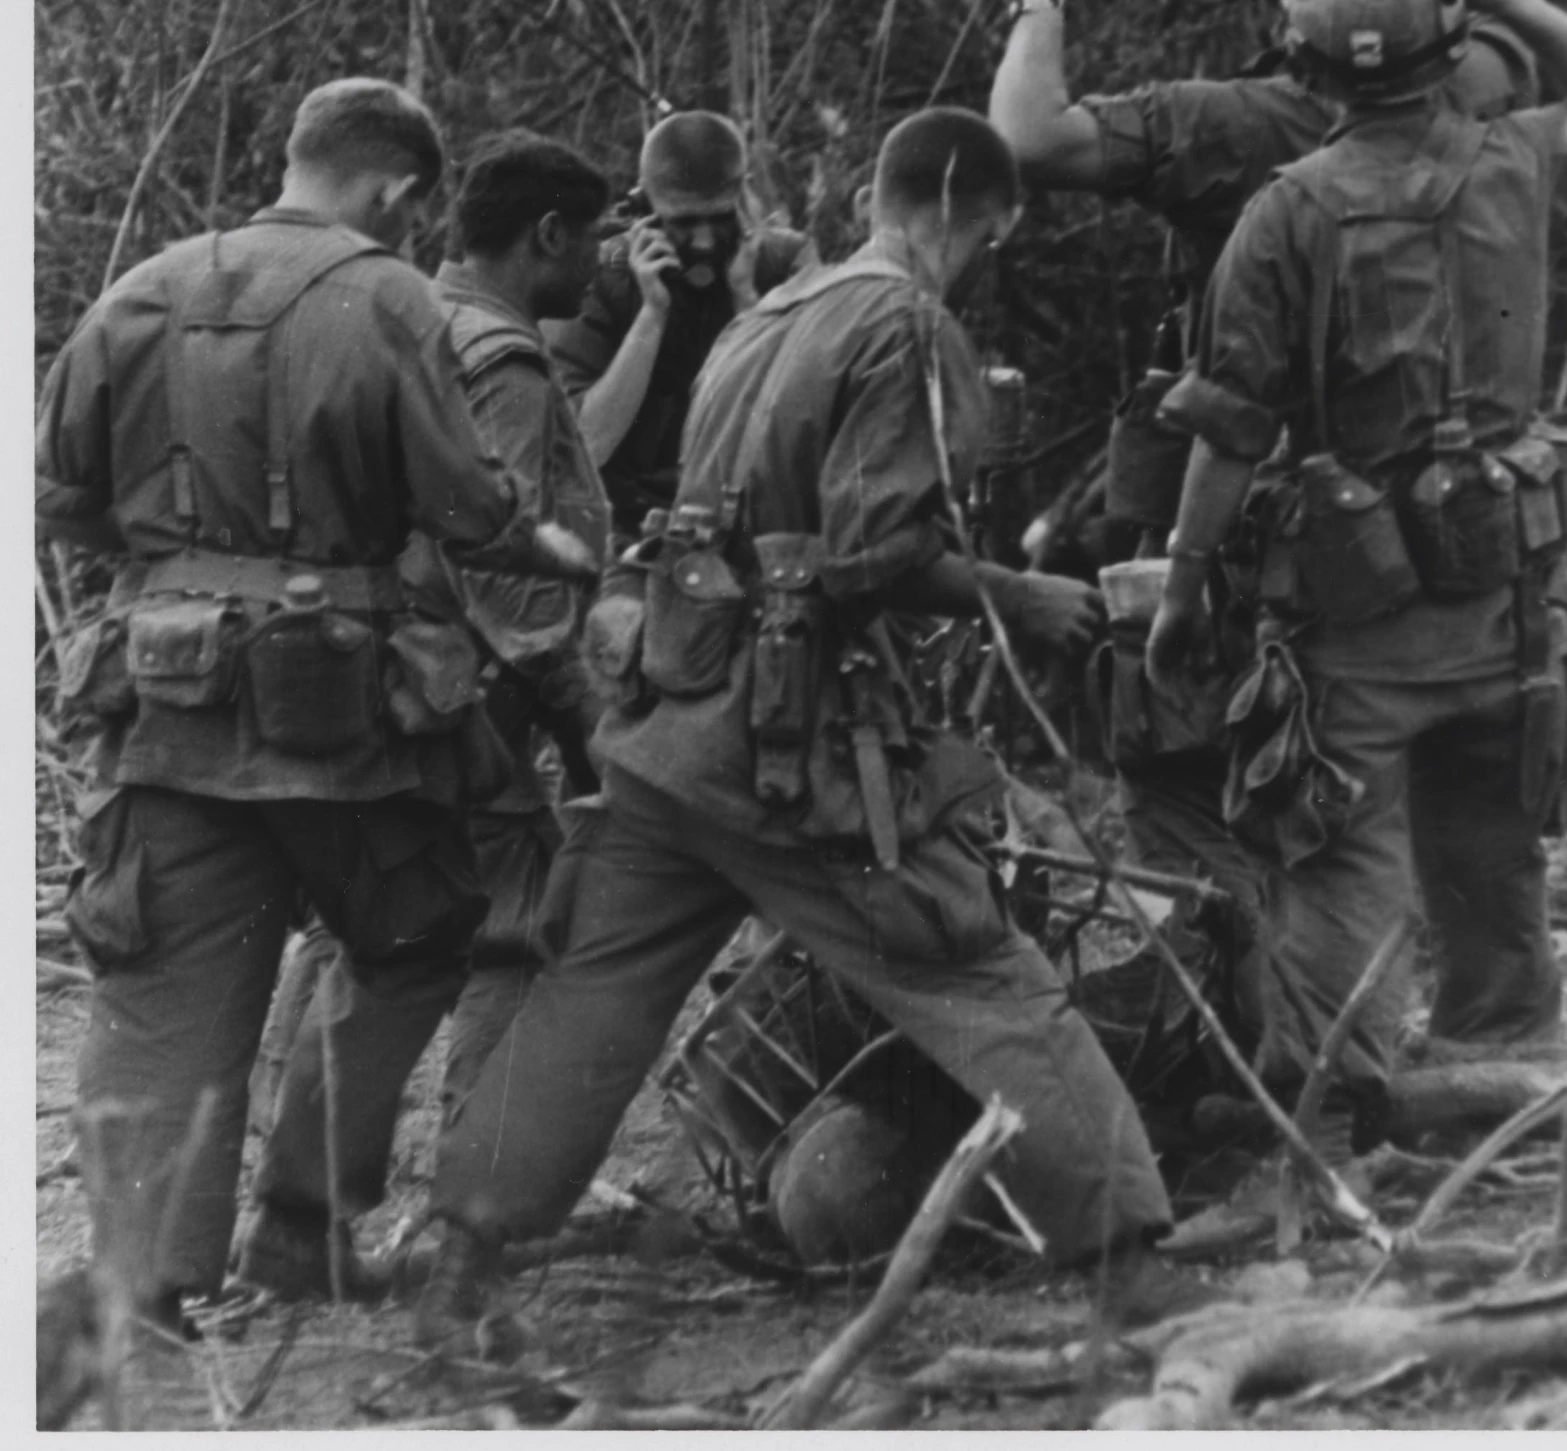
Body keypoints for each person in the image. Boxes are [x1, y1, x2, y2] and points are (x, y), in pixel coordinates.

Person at [412, 108, 1175, 1346]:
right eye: (986, 233)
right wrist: (1017, 595)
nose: (979, 256)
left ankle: (459, 1261)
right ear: (967, 210)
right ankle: (1133, 1267)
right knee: (973, 967)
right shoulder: (902, 321)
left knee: (591, 997)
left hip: (667, 728)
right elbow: (875, 551)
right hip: (794, 750)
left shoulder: (770, 312)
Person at [987, 0, 1548, 1045]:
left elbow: (1025, 136)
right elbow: (1527, 12)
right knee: (1465, 782)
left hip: (1274, 535)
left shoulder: (1230, 128)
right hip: (1458, 527)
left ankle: (1280, 1057)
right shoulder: (1476, 101)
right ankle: (1492, 1046)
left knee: (1230, 791)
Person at [36, 80, 597, 1326]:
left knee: (160, 972)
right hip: (342, 717)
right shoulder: (390, 293)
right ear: (398, 191)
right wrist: (544, 548)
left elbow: (61, 495)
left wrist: (182, 553)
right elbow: (463, 502)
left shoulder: (144, 283)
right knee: (417, 926)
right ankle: (300, 1224)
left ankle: (139, 1288)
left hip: (165, 702)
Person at [1145, 0, 1567, 1145]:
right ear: (1451, 39)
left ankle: (1334, 1126)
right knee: (1492, 853)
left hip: (1360, 618)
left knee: (1336, 869)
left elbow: (1226, 431)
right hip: (1510, 602)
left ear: (1304, 64)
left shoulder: (1285, 214)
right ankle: (1503, 1082)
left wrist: (1179, 587)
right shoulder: (1520, 158)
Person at [252, 131, 617, 1186]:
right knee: (514, 919)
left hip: (365, 674)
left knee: (355, 919)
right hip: (459, 695)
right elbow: (504, 578)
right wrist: (591, 726)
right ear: (546, 235)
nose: (600, 264)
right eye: (590, 239)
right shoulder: (500, 355)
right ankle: (476, 1178)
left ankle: (291, 1179)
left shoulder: (403, 318)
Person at [547, 110, 814, 543]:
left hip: (754, 528)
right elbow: (584, 448)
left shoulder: (787, 264)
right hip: (627, 531)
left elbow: (802, 427)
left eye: (720, 217)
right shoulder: (600, 275)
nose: (705, 241)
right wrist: (651, 314)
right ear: (645, 211)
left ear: (745, 201)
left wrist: (748, 301)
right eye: (685, 222)